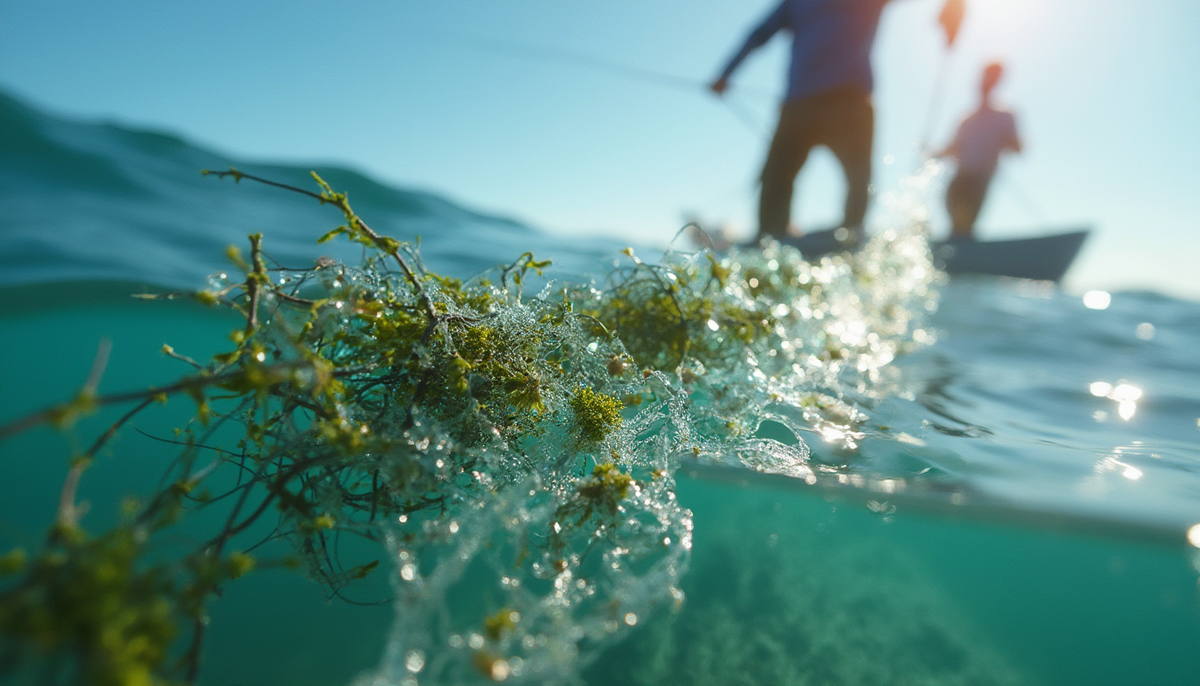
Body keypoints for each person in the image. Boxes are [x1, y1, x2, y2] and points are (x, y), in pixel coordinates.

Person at [710, 0, 964, 243]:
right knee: (775, 182)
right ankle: (769, 242)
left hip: (850, 104)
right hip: (798, 106)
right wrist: (725, 73)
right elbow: (758, 34)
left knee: (858, 183)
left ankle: (850, 243)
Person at [937, 61, 1022, 238]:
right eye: (984, 77)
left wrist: (1008, 142)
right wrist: (935, 154)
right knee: (955, 223)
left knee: (965, 223)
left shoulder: (1004, 116)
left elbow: (1018, 148)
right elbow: (953, 148)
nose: (985, 83)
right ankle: (955, 253)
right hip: (959, 178)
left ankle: (962, 254)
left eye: (992, 78)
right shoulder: (966, 119)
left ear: (998, 82)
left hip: (981, 178)